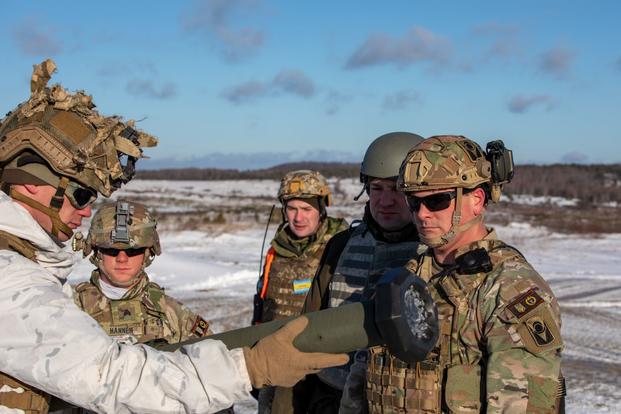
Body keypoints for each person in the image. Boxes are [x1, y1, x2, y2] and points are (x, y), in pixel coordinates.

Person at [0, 59, 348, 414]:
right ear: (32, 181)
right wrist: (251, 368)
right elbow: (112, 377)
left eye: (133, 250)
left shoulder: (170, 314)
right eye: (82, 195)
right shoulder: (15, 282)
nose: (86, 211)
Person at [357, 135, 564, 413]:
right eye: (414, 202)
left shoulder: (508, 289)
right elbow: (362, 381)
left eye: (437, 201)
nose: (422, 214)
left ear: (477, 200)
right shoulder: (404, 277)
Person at [271, 132, 426, 414]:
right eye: (377, 189)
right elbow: (304, 333)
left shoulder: (432, 254)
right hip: (330, 396)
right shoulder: (342, 246)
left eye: (397, 189)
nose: (385, 201)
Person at [252, 170, 348, 412]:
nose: (298, 217)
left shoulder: (341, 246)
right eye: (292, 208)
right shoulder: (277, 249)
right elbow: (263, 304)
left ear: (321, 210)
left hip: (324, 365)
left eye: (307, 209)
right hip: (277, 359)